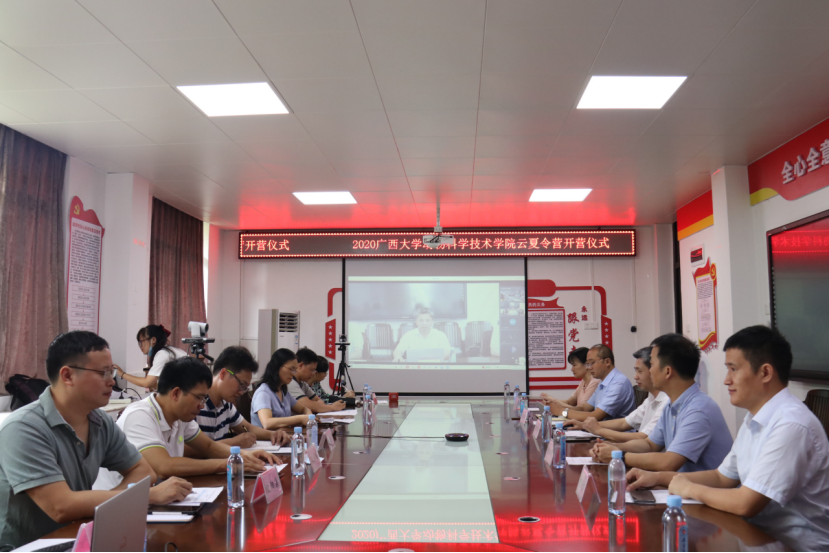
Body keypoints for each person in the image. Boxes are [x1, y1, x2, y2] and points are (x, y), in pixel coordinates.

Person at [627, 326, 829, 551]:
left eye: (733, 369)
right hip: (756, 538)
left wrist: (689, 488)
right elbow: (722, 477)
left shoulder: (791, 425)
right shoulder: (754, 418)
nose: (726, 380)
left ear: (765, 373)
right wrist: (657, 478)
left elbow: (746, 503)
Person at [0, 331, 192, 549]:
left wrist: (107, 504)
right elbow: (60, 506)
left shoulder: (99, 420)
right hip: (28, 546)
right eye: (103, 373)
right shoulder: (24, 428)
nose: (112, 381)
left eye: (112, 372)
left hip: (78, 536)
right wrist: (146, 496)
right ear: (67, 376)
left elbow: (144, 472)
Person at [96, 357, 278, 488]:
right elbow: (164, 467)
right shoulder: (140, 415)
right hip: (117, 507)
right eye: (199, 398)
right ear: (176, 393)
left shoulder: (181, 416)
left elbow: (209, 447)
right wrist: (228, 464)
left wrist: (244, 456)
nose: (202, 405)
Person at [591, 334, 732, 473]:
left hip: (699, 488)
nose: (649, 370)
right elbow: (649, 444)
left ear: (667, 371)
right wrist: (610, 447)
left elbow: (668, 462)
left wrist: (618, 456)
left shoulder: (698, 410)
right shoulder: (672, 405)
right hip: (680, 484)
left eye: (652, 365)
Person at [194, 346, 290, 449]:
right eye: (241, 384)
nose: (241, 392)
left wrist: (273, 434)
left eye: (245, 388)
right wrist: (233, 442)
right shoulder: (196, 404)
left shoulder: (226, 405)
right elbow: (187, 449)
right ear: (223, 374)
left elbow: (248, 428)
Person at [567, 346, 669, 443]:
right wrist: (584, 425)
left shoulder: (666, 401)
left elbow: (644, 439)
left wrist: (599, 431)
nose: (635, 377)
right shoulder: (651, 398)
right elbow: (625, 422)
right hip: (623, 441)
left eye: (640, 371)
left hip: (627, 441)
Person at [542, 345, 635, 421]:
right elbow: (584, 409)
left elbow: (596, 416)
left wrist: (562, 412)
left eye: (592, 363)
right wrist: (558, 406)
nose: (589, 367)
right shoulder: (602, 382)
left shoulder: (618, 383)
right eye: (588, 364)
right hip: (602, 431)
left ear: (607, 362)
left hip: (617, 436)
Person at [251, 349, 313, 430]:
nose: (293, 374)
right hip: (265, 437)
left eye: (295, 370)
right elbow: (267, 423)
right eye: (291, 369)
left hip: (283, 435)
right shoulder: (263, 393)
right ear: (277, 366)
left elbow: (304, 409)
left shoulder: (283, 391)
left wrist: (309, 417)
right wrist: (300, 419)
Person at [117, 325, 187, 391]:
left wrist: (122, 374)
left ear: (153, 340)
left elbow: (147, 383)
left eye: (141, 342)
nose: (140, 346)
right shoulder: (170, 350)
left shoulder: (162, 354)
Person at [287, 347, 346, 414]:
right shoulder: (290, 382)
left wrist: (317, 405)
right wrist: (333, 407)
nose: (313, 373)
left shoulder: (303, 384)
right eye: (311, 370)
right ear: (301, 365)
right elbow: (308, 405)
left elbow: (320, 402)